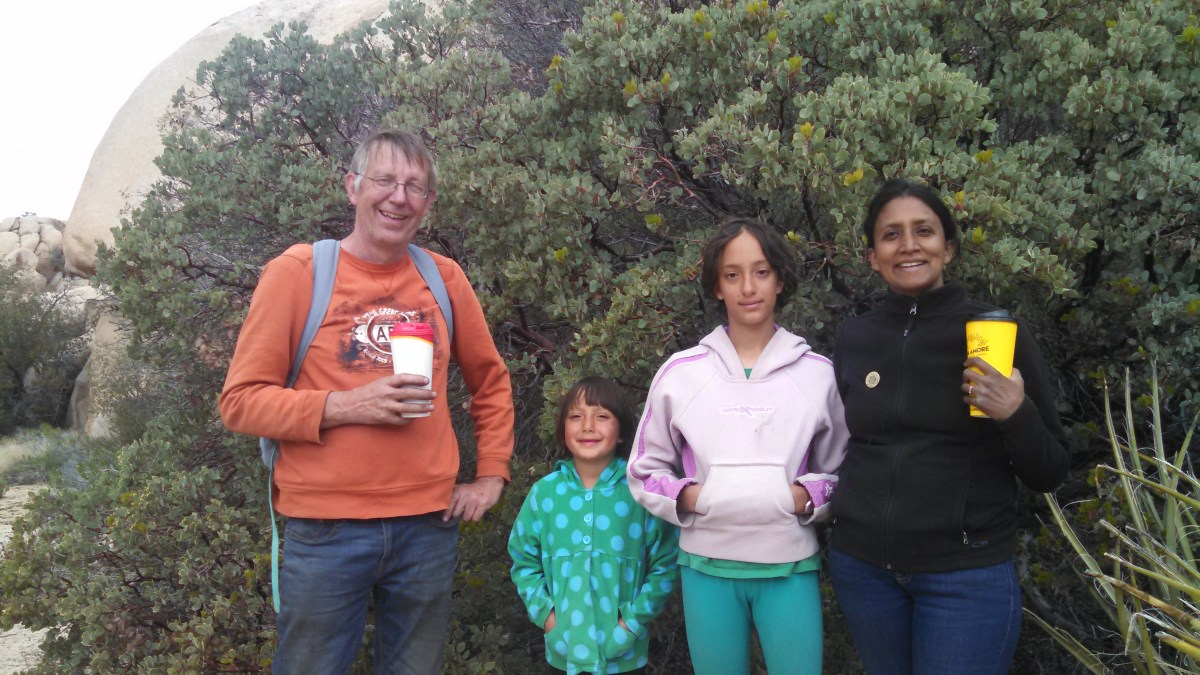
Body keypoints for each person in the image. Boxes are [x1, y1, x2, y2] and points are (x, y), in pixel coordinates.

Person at [218, 128, 515, 674]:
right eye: (384, 180)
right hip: (325, 529)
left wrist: (491, 475)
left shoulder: (443, 278)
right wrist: (347, 406)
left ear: (428, 202)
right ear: (352, 186)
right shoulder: (299, 273)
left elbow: (490, 381)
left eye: (414, 186)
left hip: (428, 525)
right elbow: (240, 401)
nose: (399, 197)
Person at [828, 178, 1070, 674]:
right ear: (873, 257)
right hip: (865, 570)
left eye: (924, 231)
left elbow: (1050, 471)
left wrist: (1015, 413)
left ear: (949, 248)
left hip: (965, 576)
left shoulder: (995, 334)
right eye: (891, 234)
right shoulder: (856, 336)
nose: (909, 245)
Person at [626, 218, 849, 675]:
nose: (748, 287)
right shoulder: (681, 374)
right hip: (705, 568)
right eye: (732, 275)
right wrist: (695, 497)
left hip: (790, 567)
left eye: (761, 272)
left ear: (780, 280)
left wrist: (801, 497)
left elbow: (844, 472)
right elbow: (644, 471)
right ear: (717, 286)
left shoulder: (818, 375)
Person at [508, 376, 680, 675]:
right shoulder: (544, 494)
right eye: (576, 416)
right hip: (563, 653)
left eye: (602, 416)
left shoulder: (640, 494)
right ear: (562, 429)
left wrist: (630, 625)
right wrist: (549, 620)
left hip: (625, 656)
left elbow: (666, 564)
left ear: (622, 432)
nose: (588, 426)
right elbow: (523, 562)